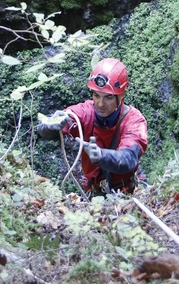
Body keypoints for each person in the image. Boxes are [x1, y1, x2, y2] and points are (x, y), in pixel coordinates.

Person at [37, 57, 147, 195]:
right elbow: (48, 130)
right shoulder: (85, 112)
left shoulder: (134, 121)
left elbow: (128, 158)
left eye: (108, 97)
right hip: (94, 192)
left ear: (122, 94)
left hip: (126, 190)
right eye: (96, 95)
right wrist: (50, 125)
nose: (100, 104)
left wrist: (102, 156)